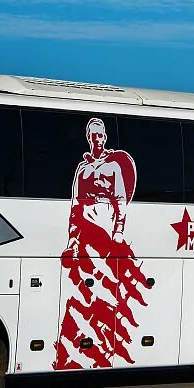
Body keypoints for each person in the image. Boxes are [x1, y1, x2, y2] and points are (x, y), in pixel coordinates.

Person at [54, 118, 145, 369]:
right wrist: (72, 239)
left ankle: (105, 347)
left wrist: (118, 232)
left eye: (100, 135)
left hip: (106, 233)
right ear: (88, 137)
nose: (97, 139)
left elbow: (120, 201)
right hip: (84, 234)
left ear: (105, 137)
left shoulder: (113, 167)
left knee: (106, 287)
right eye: (93, 135)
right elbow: (75, 206)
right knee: (82, 290)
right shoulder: (81, 170)